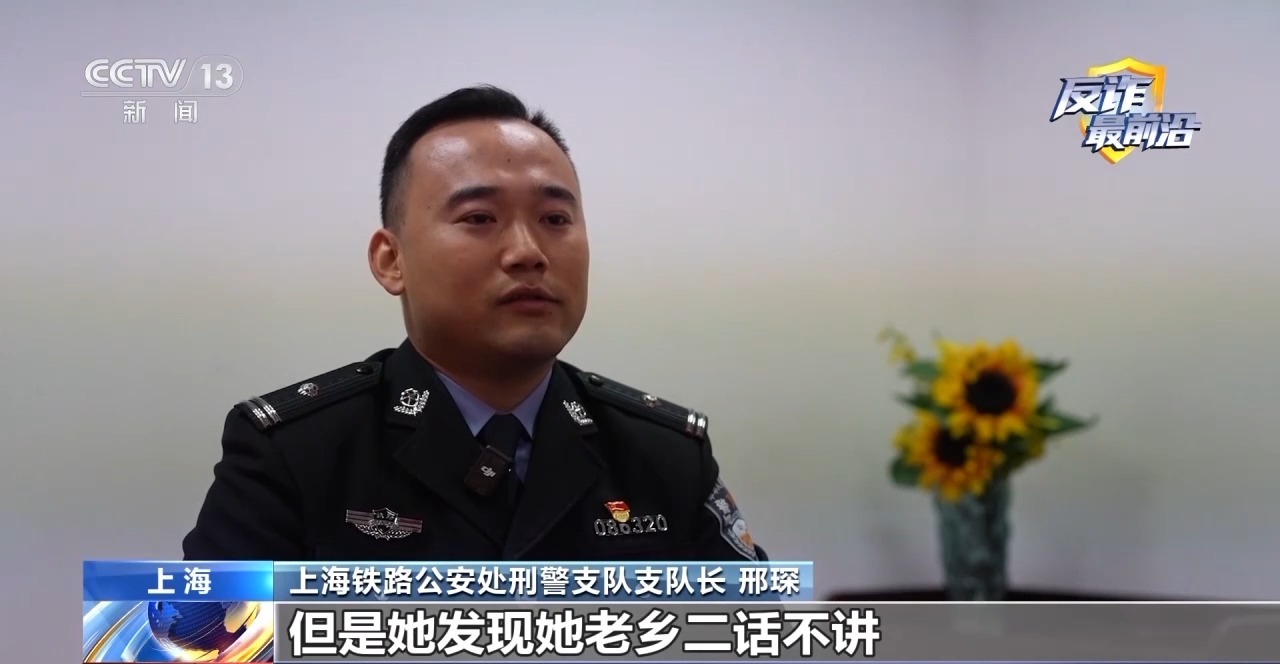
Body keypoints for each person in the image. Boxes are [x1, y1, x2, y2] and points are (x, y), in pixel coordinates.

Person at [182, 85, 765, 563]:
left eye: (555, 219)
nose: (528, 252)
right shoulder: (294, 452)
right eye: (480, 217)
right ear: (391, 260)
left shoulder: (665, 456)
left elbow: (756, 639)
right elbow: (202, 642)